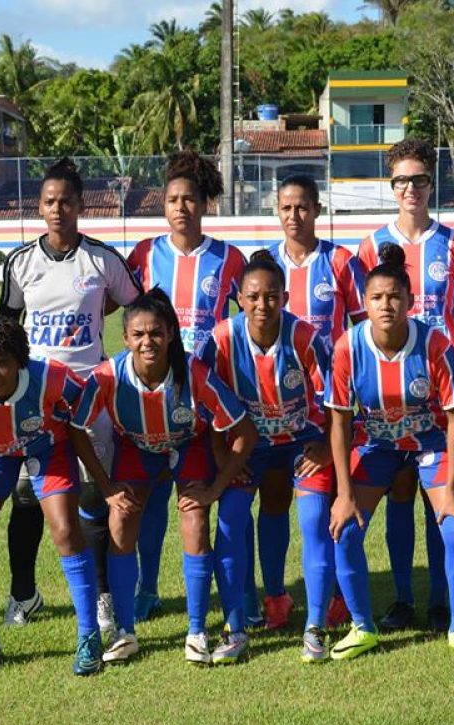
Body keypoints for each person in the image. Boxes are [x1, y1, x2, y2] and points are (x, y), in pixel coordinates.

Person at [0, 158, 143, 639]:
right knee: (26, 496)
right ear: (39, 207)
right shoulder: (20, 263)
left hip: (90, 396)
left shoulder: (102, 260)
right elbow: (5, 329)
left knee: (92, 493)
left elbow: (136, 305)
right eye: (49, 201)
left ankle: (101, 596)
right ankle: (23, 594)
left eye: (67, 201)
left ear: (82, 206)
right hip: (35, 398)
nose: (58, 209)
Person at [73, 289, 258, 665]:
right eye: (138, 335)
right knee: (121, 519)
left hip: (189, 445)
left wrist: (215, 488)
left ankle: (195, 632)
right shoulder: (108, 376)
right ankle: (125, 632)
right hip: (137, 449)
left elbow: (245, 432)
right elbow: (77, 428)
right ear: (124, 338)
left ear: (171, 333)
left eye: (155, 333)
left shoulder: (193, 373)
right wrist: (106, 487)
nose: (147, 342)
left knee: (194, 517)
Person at [325, 245, 454, 662]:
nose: (386, 305)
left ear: (411, 302)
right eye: (376, 298)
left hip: (430, 444)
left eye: (395, 297)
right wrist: (344, 493)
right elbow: (339, 422)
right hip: (377, 445)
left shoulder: (436, 344)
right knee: (345, 527)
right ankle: (363, 627)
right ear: (364, 302)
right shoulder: (347, 348)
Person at [0, 316, 112, 677]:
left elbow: (85, 398)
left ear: (20, 362)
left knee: (64, 530)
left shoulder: (51, 377)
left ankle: (89, 636)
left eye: (2, 362)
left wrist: (66, 423)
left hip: (47, 449)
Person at [353, 138, 454, 633]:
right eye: (402, 180)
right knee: (400, 491)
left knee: (439, 495)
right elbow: (365, 318)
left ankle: (441, 599)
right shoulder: (368, 246)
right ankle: (403, 596)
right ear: (392, 186)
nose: (411, 188)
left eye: (419, 180)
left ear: (431, 183)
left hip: (438, 394)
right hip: (387, 398)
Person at [126, 150, 247, 624]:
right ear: (164, 206)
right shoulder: (143, 255)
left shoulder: (229, 258)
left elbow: (254, 313)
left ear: (204, 205)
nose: (181, 207)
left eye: (190, 199)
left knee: (210, 496)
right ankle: (147, 588)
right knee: (154, 496)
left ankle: (236, 593)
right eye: (173, 199)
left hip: (207, 398)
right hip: (153, 395)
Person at [200, 252, 337, 662]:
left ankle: (313, 627)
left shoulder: (307, 339)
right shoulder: (221, 339)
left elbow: (337, 400)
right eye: (254, 296)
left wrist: (328, 446)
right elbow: (207, 408)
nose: (263, 305)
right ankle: (236, 626)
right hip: (248, 447)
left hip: (300, 444)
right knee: (230, 519)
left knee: (313, 521)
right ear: (239, 298)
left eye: (272, 296)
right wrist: (225, 458)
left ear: (286, 297)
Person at [258, 174, 365, 629]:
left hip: (327, 408)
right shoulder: (264, 265)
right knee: (275, 499)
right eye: (285, 208)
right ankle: (276, 596)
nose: (293, 216)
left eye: (302, 207)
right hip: (274, 408)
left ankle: (336, 594)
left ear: (317, 210)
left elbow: (361, 331)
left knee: (320, 506)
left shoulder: (339, 261)